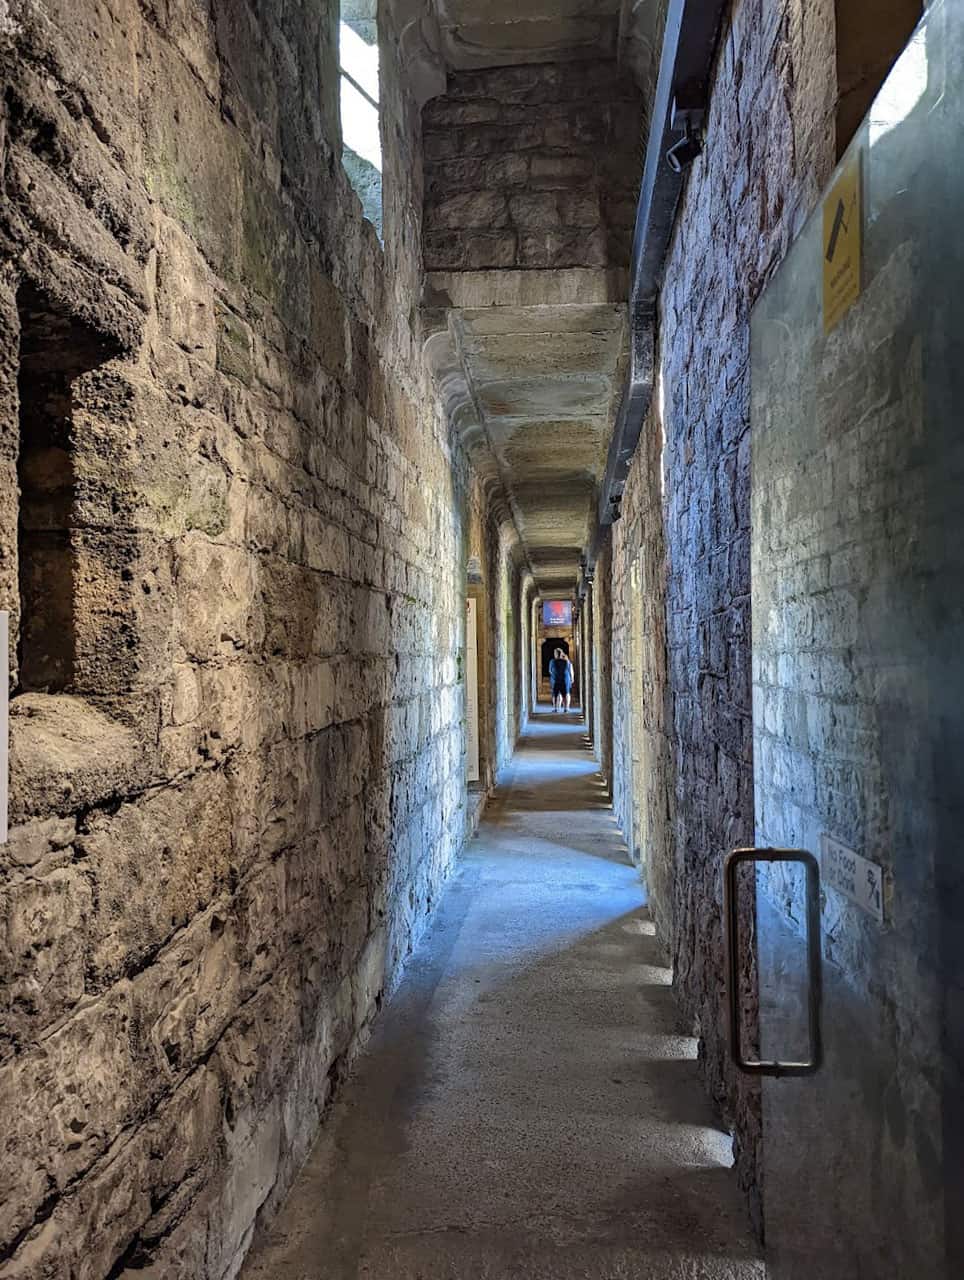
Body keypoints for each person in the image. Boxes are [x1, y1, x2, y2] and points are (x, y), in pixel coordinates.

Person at [548, 647, 573, 712]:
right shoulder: (566, 661)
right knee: (565, 694)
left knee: (556, 694)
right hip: (564, 679)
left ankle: (556, 708)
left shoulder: (553, 661)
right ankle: (565, 708)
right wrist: (572, 678)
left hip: (556, 679)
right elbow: (569, 669)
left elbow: (550, 671)